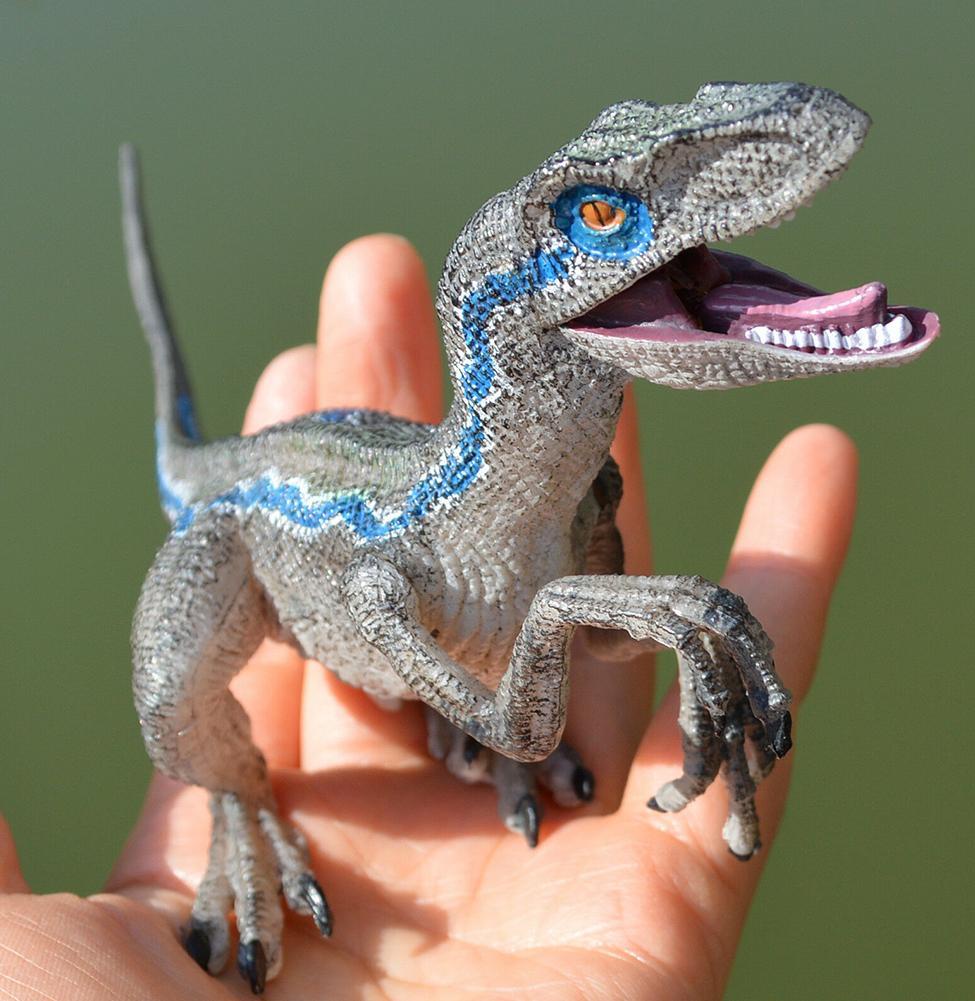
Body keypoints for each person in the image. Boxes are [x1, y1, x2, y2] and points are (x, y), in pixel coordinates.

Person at [0, 235, 857, 999]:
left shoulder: (582, 492)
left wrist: (644, 616)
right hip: (272, 526)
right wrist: (593, 612)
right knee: (170, 693)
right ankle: (237, 799)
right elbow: (519, 724)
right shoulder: (400, 567)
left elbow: (599, 639)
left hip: (415, 498)